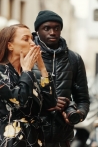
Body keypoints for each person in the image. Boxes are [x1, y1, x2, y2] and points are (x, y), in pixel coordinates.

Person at [0, 24, 57, 147]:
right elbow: (19, 100)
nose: (33, 43)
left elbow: (51, 104)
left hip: (35, 139)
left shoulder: (27, 73)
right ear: (10, 45)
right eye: (26, 39)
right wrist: (27, 70)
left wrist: (42, 67)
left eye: (32, 39)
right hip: (12, 140)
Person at [32, 10, 90, 147]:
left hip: (62, 138)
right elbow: (17, 98)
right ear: (38, 31)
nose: (52, 32)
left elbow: (83, 99)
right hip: (32, 136)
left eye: (56, 28)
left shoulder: (74, 59)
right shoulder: (27, 57)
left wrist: (78, 115)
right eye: (47, 28)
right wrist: (48, 103)